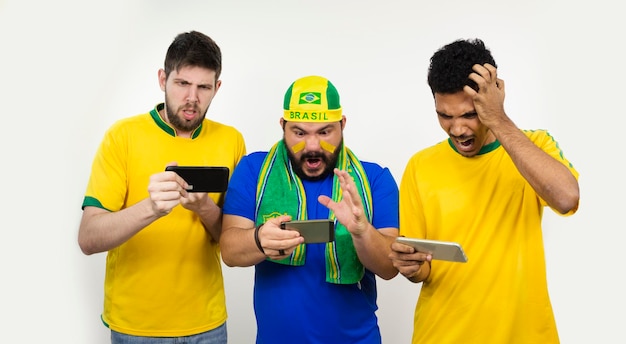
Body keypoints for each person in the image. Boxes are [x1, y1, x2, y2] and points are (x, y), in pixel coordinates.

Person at [389, 38, 580, 343]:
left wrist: (498, 119)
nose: (457, 129)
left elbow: (567, 198)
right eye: (445, 115)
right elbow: (422, 269)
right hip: (442, 334)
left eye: (470, 114)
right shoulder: (420, 166)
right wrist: (411, 268)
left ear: (492, 99)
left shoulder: (534, 146)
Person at [78, 31, 246, 344]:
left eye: (203, 87)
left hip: (207, 325)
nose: (192, 98)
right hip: (136, 328)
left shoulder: (231, 140)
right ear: (162, 79)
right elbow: (88, 238)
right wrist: (151, 208)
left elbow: (234, 241)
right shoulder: (122, 136)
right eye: (182, 84)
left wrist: (204, 208)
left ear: (217, 88)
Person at [220, 75, 399, 343]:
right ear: (283, 126)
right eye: (299, 133)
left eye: (325, 132)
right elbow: (230, 251)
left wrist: (362, 232)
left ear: (343, 125)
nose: (312, 146)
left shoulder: (375, 179)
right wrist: (258, 239)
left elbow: (389, 268)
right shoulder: (253, 171)